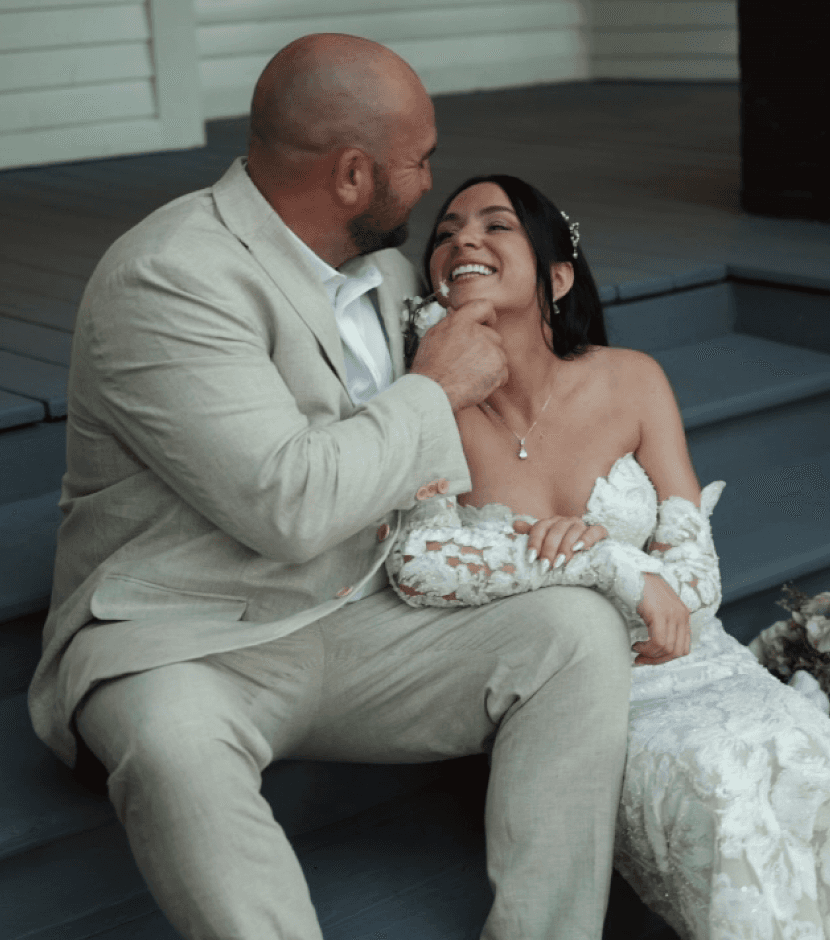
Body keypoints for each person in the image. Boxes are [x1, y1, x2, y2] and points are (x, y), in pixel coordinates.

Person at [27, 36, 635, 940]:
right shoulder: (170, 276)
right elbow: (289, 503)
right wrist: (433, 389)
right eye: (418, 160)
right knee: (173, 747)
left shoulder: (390, 270)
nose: (430, 185)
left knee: (575, 632)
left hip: (362, 611)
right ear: (353, 175)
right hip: (189, 634)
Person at [387, 173, 830, 938]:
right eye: (447, 230)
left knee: (806, 758)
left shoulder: (631, 380)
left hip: (703, 667)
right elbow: (419, 564)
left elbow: (698, 580)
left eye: (496, 226)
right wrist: (600, 562)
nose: (462, 239)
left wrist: (646, 570)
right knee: (722, 786)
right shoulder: (429, 407)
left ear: (557, 275)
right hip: (584, 699)